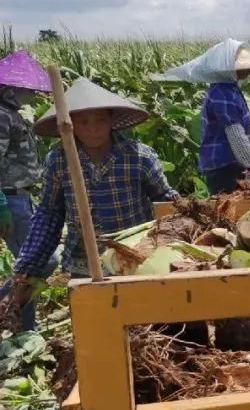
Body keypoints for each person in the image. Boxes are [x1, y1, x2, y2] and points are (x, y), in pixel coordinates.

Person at [0, 78, 178, 331]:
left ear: (111, 121)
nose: (93, 129)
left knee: (142, 327)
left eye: (100, 121)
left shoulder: (137, 156)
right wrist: (28, 269)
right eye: (83, 122)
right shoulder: (59, 160)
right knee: (93, 330)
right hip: (83, 261)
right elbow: (49, 215)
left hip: (133, 258)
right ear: (70, 125)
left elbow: (165, 200)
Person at [154, 38, 250, 195]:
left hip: (232, 164)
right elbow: (235, 134)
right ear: (226, 69)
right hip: (225, 166)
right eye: (244, 68)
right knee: (230, 210)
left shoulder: (231, 90)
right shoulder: (222, 93)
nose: (249, 72)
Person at [0, 51, 52, 257]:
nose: (30, 95)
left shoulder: (12, 114)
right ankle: (11, 292)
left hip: (21, 195)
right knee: (36, 261)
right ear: (9, 90)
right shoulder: (2, 116)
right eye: (26, 89)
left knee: (32, 261)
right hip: (10, 197)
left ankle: (17, 290)